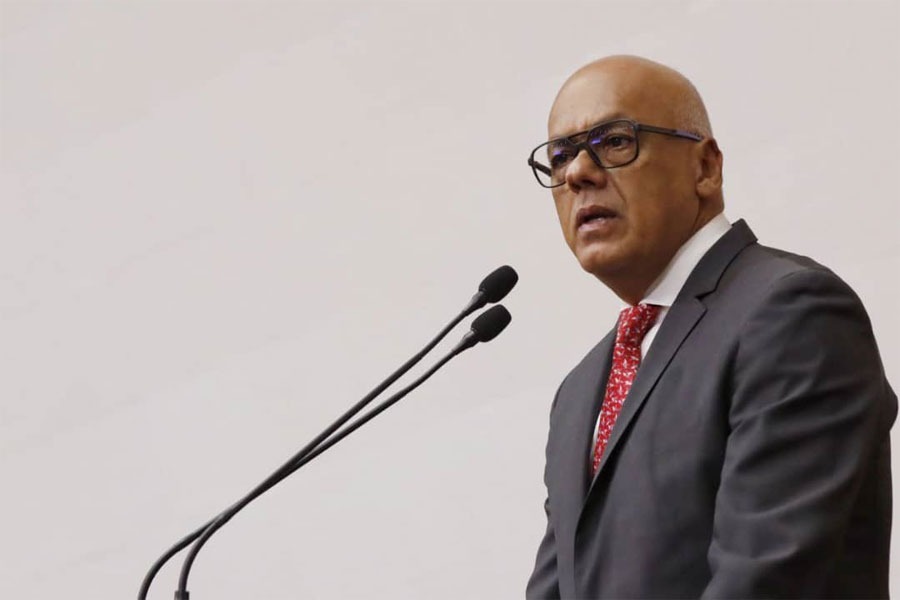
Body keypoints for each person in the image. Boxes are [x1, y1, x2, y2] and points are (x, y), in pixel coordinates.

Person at [525, 55, 897, 599]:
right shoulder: (580, 393)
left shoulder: (790, 312)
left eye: (615, 141)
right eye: (560, 157)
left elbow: (764, 579)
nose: (578, 173)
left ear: (705, 167)